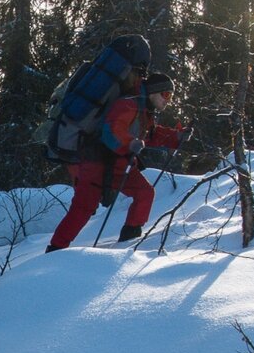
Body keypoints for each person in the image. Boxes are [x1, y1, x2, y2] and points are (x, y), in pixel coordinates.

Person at [46, 72, 184, 251]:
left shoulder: (143, 108)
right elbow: (111, 131)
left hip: (119, 165)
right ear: (153, 92)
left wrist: (177, 136)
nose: (168, 100)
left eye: (171, 96)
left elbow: (150, 134)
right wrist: (130, 143)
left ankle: (128, 241)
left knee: (145, 193)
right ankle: (55, 249)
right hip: (95, 163)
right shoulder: (128, 104)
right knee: (84, 207)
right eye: (166, 94)